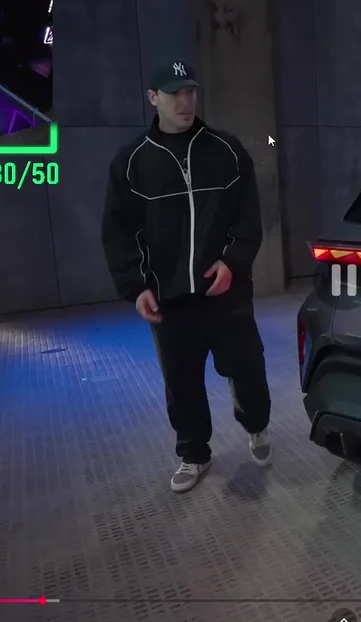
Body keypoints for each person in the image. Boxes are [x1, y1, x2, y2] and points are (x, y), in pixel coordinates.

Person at [101, 61, 273, 493]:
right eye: (174, 93)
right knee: (181, 382)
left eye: (190, 92)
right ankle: (194, 454)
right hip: (170, 296)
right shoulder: (132, 161)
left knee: (247, 368)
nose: (185, 101)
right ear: (153, 98)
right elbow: (118, 231)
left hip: (227, 291)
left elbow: (249, 217)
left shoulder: (227, 150)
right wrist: (136, 287)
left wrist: (233, 262)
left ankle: (256, 425)